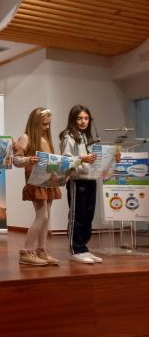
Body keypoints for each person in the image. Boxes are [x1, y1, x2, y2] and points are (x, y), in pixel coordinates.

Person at [59, 105, 110, 264]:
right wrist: (82, 159)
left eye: (86, 118)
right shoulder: (68, 137)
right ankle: (75, 249)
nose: (83, 121)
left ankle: (83, 248)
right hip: (77, 180)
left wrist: (113, 158)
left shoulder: (88, 137)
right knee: (77, 216)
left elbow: (96, 160)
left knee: (88, 215)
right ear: (73, 119)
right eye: (79, 118)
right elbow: (65, 160)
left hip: (91, 179)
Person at [13, 108, 61, 266]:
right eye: (44, 124)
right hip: (36, 182)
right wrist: (29, 160)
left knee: (46, 218)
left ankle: (42, 249)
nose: (47, 127)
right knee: (42, 216)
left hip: (49, 182)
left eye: (49, 124)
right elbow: (16, 160)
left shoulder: (46, 139)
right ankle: (26, 251)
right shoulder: (25, 138)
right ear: (35, 123)